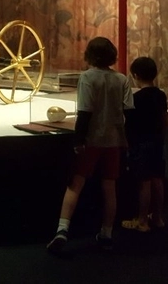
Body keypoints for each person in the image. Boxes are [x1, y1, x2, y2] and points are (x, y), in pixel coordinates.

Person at [46, 37, 134, 255]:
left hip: (92, 139)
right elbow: (129, 112)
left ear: (90, 55)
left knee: (75, 184)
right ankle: (106, 233)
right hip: (113, 140)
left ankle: (62, 229)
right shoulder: (122, 79)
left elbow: (84, 112)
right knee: (109, 188)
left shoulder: (87, 78)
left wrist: (78, 140)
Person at [121, 57, 168, 232]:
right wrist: (162, 137)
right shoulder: (160, 95)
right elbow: (165, 119)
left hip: (140, 144)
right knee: (158, 178)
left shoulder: (136, 98)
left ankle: (142, 220)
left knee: (144, 182)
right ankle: (157, 217)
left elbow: (129, 124)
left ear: (136, 75)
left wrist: (126, 142)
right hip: (156, 142)